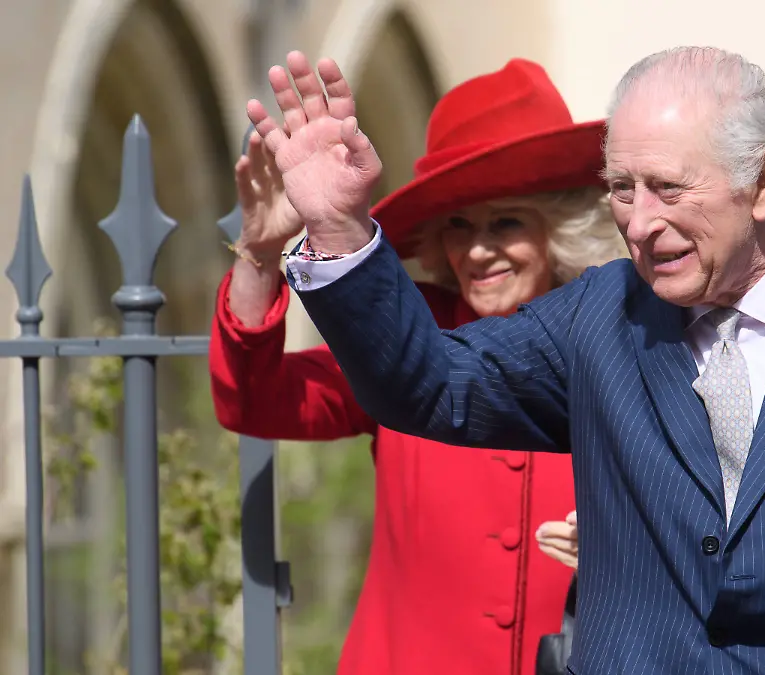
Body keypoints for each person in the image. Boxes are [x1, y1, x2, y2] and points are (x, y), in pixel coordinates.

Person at [246, 46, 765, 674]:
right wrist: (343, 231)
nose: (637, 221)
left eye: (667, 188)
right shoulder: (599, 317)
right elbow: (428, 384)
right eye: (621, 188)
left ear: (763, 183)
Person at [209, 58, 626, 675]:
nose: (478, 250)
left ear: (558, 229)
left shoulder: (620, 335)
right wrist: (261, 256)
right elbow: (256, 399)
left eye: (505, 222)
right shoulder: (408, 330)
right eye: (458, 227)